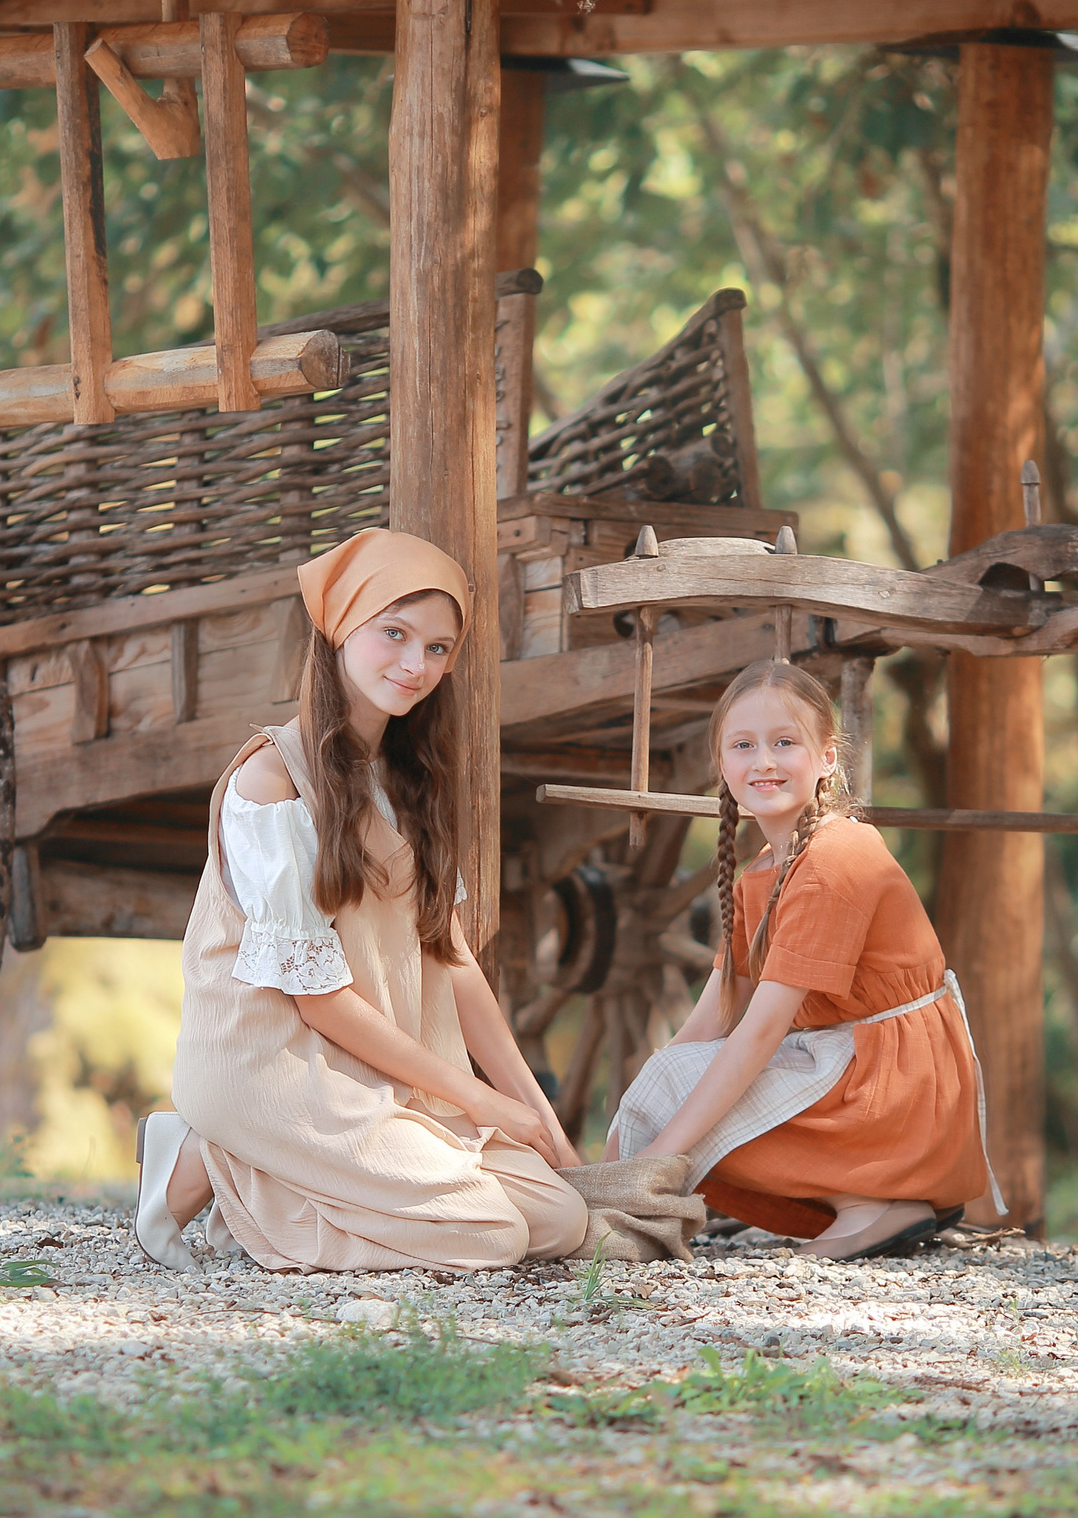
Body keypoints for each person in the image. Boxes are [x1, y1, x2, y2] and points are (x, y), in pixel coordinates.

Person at [135, 527, 586, 1273]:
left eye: (438, 648)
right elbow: (319, 1003)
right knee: (492, 1236)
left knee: (561, 1218)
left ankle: (265, 1171)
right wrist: (476, 1100)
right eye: (395, 634)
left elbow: (455, 960)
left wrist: (543, 1120)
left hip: (372, 1069)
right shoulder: (270, 781)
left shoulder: (409, 779)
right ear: (341, 628)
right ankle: (215, 1153)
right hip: (276, 1066)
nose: (416, 665)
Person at [607, 659, 997, 1259]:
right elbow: (713, 1019)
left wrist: (660, 1156)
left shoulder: (836, 858)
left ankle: (881, 1192)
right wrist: (638, 1123)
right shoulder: (763, 869)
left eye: (784, 742)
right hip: (845, 1066)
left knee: (679, 1101)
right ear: (723, 765)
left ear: (828, 759)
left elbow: (760, 1030)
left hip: (893, 1087)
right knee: (666, 1080)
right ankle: (614, 1207)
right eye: (743, 745)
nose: (763, 760)